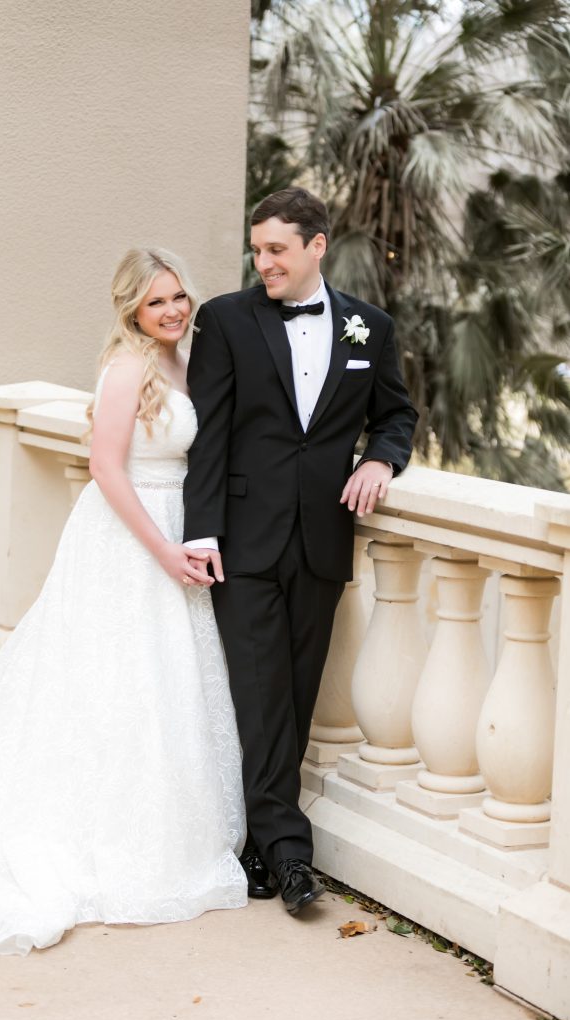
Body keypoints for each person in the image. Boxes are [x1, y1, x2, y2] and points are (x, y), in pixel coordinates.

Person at [0, 248, 247, 955]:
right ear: (131, 310)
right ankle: (89, 831)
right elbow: (105, 467)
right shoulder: (128, 367)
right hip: (129, 537)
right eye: (155, 302)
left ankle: (158, 824)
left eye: (178, 296)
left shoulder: (187, 359)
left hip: (178, 526)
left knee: (164, 681)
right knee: (109, 678)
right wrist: (162, 549)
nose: (172, 310)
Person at [183, 187, 417, 915]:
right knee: (260, 695)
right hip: (242, 540)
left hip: (322, 538)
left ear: (317, 246)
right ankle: (289, 854)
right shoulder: (225, 319)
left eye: (276, 249)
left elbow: (396, 413)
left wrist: (380, 459)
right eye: (257, 250)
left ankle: (257, 843)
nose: (263, 262)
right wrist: (201, 529)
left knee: (297, 693)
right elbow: (207, 433)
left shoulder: (370, 328)